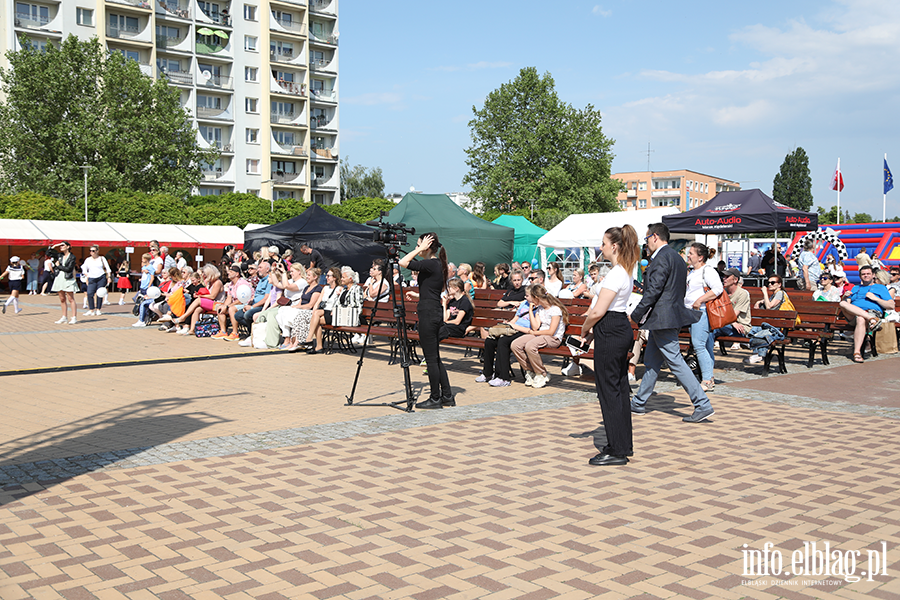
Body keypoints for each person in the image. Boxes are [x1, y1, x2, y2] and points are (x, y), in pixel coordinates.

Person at [629, 223, 714, 423]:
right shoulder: (677, 257)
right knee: (651, 361)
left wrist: (636, 313)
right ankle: (639, 402)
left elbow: (654, 290)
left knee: (675, 361)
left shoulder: (660, 258)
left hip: (662, 318)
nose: (646, 242)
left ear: (655, 237)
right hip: (669, 316)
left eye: (647, 238)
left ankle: (702, 404)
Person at [580, 225, 640, 466]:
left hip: (612, 328)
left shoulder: (617, 273)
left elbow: (597, 310)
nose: (601, 247)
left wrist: (585, 329)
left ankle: (617, 449)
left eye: (603, 244)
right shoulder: (624, 271)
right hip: (616, 328)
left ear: (614, 246)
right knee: (617, 389)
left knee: (610, 391)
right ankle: (621, 444)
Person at [400, 233, 453, 409]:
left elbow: (403, 262)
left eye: (419, 245)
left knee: (430, 359)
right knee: (435, 357)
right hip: (432, 309)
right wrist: (418, 294)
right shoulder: (436, 264)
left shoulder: (430, 263)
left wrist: (419, 250)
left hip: (429, 314)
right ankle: (446, 396)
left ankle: (435, 398)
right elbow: (431, 289)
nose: (416, 248)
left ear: (427, 247)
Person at [478, 284, 539, 387]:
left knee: (503, 341)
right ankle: (487, 373)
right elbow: (515, 319)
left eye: (527, 295)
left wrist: (514, 326)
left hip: (525, 332)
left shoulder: (538, 308)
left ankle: (504, 377)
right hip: (514, 329)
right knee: (490, 340)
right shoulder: (524, 304)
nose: (525, 297)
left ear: (534, 296)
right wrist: (508, 324)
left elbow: (534, 328)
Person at [510, 284, 568, 389]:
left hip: (553, 338)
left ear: (537, 298)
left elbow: (551, 332)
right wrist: (531, 311)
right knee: (515, 345)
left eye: (532, 298)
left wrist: (534, 333)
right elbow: (535, 327)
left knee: (530, 346)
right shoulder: (540, 309)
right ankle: (530, 371)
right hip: (540, 335)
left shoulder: (555, 310)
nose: (530, 301)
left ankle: (541, 374)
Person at [684, 242, 723, 393]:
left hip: (701, 311)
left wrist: (700, 300)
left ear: (700, 257)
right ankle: (707, 377)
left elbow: (718, 289)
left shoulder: (708, 271)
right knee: (702, 345)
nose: (688, 255)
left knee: (699, 345)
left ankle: (707, 379)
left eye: (691, 253)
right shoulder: (693, 271)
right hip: (692, 312)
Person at [839, 264, 894, 363]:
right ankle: (871, 319)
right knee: (842, 303)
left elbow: (891, 305)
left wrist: (875, 298)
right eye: (863, 274)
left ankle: (856, 352)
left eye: (868, 273)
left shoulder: (880, 288)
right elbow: (848, 305)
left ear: (873, 275)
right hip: (854, 315)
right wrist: (845, 297)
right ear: (860, 276)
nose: (866, 276)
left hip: (872, 313)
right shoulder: (855, 288)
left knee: (861, 319)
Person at [712, 268, 752, 342]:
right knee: (710, 327)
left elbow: (733, 316)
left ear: (735, 280)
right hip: (727, 325)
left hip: (741, 328)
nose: (724, 279)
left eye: (727, 277)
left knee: (713, 328)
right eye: (724, 276)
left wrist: (732, 322)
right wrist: (733, 323)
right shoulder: (723, 292)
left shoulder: (742, 294)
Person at [50, 242, 79, 324]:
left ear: (68, 247)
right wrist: (54, 246)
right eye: (60, 246)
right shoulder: (60, 255)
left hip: (67, 278)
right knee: (62, 299)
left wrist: (58, 266)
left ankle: (74, 317)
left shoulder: (72, 257)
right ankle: (64, 317)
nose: (61, 247)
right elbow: (49, 253)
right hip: (59, 277)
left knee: (70, 298)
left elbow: (69, 269)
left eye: (63, 245)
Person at [81, 245, 113, 316]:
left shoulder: (102, 258)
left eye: (93, 251)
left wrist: (109, 277)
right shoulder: (88, 259)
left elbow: (108, 268)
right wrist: (87, 275)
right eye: (90, 251)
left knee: (100, 293)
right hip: (92, 278)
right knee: (89, 293)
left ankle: (98, 309)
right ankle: (91, 309)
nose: (91, 252)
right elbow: (84, 268)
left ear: (97, 251)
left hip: (101, 277)